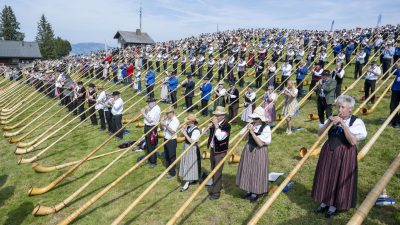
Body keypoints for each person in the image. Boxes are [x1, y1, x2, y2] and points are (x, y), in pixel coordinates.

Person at [312, 95, 367, 218]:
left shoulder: (356, 122)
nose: (339, 110)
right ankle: (324, 201)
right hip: (329, 151)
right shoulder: (334, 118)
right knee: (326, 175)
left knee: (339, 177)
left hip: (345, 153)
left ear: (350, 109)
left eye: (342, 107)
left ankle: (334, 205)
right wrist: (328, 123)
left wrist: (343, 123)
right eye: (338, 107)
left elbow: (352, 141)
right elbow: (319, 134)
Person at [236, 106, 272, 202]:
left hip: (259, 151)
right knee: (247, 169)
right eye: (253, 118)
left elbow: (260, 143)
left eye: (256, 118)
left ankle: (256, 192)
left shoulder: (266, 128)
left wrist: (252, 132)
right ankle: (248, 190)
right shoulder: (251, 124)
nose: (254, 120)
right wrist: (247, 131)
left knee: (257, 171)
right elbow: (243, 138)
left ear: (261, 119)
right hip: (249, 149)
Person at [207, 106, 231, 200]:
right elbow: (206, 133)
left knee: (217, 171)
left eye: (217, 115)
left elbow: (220, 137)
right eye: (215, 115)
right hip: (213, 149)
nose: (215, 117)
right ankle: (217, 185)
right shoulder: (214, 123)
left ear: (223, 116)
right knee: (213, 169)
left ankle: (216, 193)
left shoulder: (227, 125)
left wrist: (216, 126)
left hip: (220, 152)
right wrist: (208, 127)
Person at [179, 114, 201, 191]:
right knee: (186, 163)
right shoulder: (188, 127)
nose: (186, 122)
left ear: (192, 121)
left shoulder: (196, 131)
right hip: (186, 147)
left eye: (188, 121)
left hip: (192, 148)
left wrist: (185, 134)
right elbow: (181, 136)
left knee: (190, 164)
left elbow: (193, 141)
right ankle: (188, 179)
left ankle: (187, 182)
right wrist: (183, 130)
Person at [160, 106, 180, 179]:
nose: (167, 115)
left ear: (172, 113)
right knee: (167, 155)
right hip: (166, 138)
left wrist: (165, 124)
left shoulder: (175, 121)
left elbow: (172, 131)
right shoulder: (168, 119)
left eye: (168, 113)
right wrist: (161, 123)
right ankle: (168, 169)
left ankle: (172, 173)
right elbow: (162, 128)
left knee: (172, 157)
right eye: (166, 113)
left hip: (171, 140)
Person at [141, 98, 161, 167]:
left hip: (151, 128)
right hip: (148, 127)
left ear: (154, 102)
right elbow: (148, 117)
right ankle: (150, 158)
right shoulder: (152, 108)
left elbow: (149, 120)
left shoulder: (156, 109)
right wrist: (146, 111)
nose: (148, 104)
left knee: (151, 145)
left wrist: (143, 113)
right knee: (148, 143)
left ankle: (153, 162)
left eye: (149, 103)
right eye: (148, 103)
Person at [390, 62, 400, 128]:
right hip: (395, 89)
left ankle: (398, 122)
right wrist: (395, 66)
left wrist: (398, 67)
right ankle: (393, 121)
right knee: (393, 106)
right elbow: (393, 72)